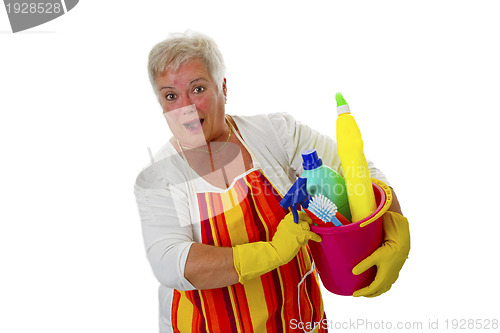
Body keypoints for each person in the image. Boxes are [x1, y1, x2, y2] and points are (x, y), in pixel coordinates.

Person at [134, 31, 410, 333]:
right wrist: (272, 252)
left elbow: (357, 169)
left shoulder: (276, 133)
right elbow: (172, 263)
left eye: (197, 89)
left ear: (223, 88)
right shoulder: (158, 178)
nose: (185, 108)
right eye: (171, 95)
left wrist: (394, 224)